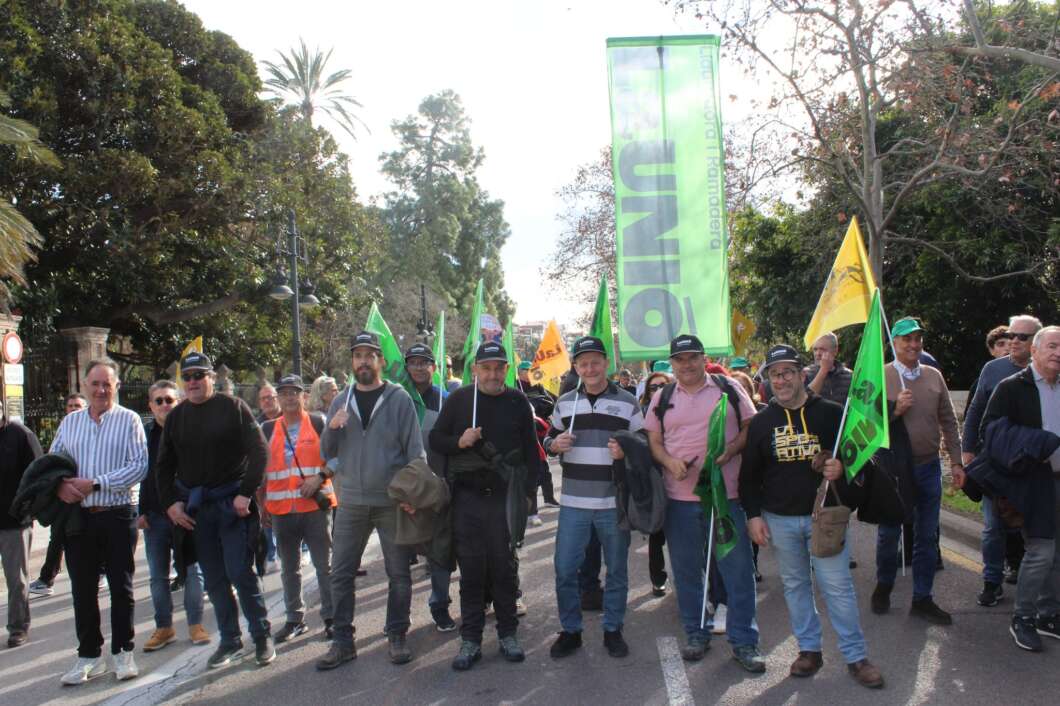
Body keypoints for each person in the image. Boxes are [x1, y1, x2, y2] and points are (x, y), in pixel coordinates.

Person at [740, 344, 883, 688]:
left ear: (802, 375)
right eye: (775, 374)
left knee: (838, 587)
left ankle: (856, 657)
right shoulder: (761, 422)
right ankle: (809, 651)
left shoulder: (832, 414)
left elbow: (860, 458)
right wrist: (753, 516)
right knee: (795, 586)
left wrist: (841, 467)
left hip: (826, 518)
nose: (781, 380)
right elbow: (748, 476)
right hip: (779, 519)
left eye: (788, 372)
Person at [644, 335, 762, 672]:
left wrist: (732, 450)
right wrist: (670, 462)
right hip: (679, 501)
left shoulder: (728, 388)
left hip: (726, 498)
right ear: (672, 363)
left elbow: (751, 426)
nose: (686, 365)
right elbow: (654, 440)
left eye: (692, 357)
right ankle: (696, 634)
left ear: (703, 358)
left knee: (738, 572)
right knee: (687, 574)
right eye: (679, 359)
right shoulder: (663, 396)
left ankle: (744, 642)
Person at [156, 352, 274, 670]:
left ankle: (261, 636)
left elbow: (259, 451)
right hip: (198, 511)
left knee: (240, 572)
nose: (193, 381)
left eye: (199, 375)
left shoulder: (234, 407)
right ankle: (230, 640)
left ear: (211, 378)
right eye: (188, 377)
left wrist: (246, 493)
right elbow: (163, 465)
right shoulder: (176, 417)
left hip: (232, 506)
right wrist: (170, 504)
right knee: (214, 579)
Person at [316, 331, 425, 671]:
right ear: (352, 362)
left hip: (391, 501)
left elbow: (415, 452)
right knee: (340, 574)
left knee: (399, 573)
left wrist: (411, 494)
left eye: (369, 355)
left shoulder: (399, 398)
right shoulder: (341, 400)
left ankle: (397, 634)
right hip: (350, 502)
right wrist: (332, 428)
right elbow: (326, 453)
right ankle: (343, 641)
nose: (363, 361)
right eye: (358, 355)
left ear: (381, 360)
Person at [430, 341, 538, 671]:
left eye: (498, 368)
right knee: (472, 571)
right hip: (467, 499)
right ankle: (471, 639)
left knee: (504, 569)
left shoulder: (518, 401)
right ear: (475, 370)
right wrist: (459, 441)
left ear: (506, 369)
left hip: (505, 499)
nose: (492, 374)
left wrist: (529, 496)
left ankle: (508, 634)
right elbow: (436, 439)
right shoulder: (460, 400)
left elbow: (531, 451)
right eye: (486, 368)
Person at [545, 337, 644, 660]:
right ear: (575, 367)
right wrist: (553, 444)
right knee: (564, 569)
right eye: (583, 363)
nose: (590, 368)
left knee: (616, 570)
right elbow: (548, 437)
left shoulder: (628, 401)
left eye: (595, 362)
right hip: (573, 503)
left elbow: (644, 441)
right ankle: (571, 631)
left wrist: (627, 449)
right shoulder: (565, 403)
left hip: (613, 503)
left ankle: (613, 629)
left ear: (606, 363)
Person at [50, 358, 148, 685]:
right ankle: (89, 655)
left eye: (107, 384)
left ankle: (123, 652)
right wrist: (59, 486)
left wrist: (96, 483)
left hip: (118, 514)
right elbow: (53, 462)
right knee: (82, 589)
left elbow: (139, 466)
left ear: (116, 386)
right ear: (85, 385)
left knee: (121, 587)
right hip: (80, 519)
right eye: (95, 384)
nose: (101, 390)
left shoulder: (130, 420)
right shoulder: (70, 423)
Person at [871, 317, 962, 625]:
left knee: (926, 535)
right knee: (889, 533)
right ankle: (884, 585)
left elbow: (948, 420)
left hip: (928, 467)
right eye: (906, 339)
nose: (913, 344)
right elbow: (865, 423)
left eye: (917, 339)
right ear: (894, 343)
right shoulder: (880, 375)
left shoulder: (933, 375)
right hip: (893, 469)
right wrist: (894, 411)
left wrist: (957, 461)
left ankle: (923, 598)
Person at [979, 326, 1060, 652]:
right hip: (1031, 482)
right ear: (1035, 351)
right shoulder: (1011, 387)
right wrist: (1038, 442)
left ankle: (1048, 615)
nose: (1058, 352)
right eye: (1052, 346)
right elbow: (990, 431)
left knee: (1057, 553)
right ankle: (1023, 617)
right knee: (1041, 551)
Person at [962, 315, 1042, 608]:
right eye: (1010, 335)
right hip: (995, 463)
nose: (1013, 341)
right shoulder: (993, 369)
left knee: (1036, 530)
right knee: (993, 526)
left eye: (1022, 336)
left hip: (1035, 465)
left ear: (1036, 342)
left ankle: (1035, 589)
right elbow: (975, 411)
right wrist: (967, 450)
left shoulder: (1048, 372)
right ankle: (991, 582)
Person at [260, 374, 336, 644]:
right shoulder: (267, 429)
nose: (289, 398)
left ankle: (332, 618)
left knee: (324, 566)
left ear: (303, 396)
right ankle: (295, 620)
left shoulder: (317, 422)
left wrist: (319, 478)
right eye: (284, 393)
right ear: (278, 398)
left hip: (314, 509)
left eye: (294, 392)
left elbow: (336, 457)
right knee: (289, 569)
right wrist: (261, 504)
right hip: (282, 511)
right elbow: (261, 470)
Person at [138, 380, 209, 652]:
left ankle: (195, 624)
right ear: (151, 406)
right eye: (159, 401)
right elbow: (142, 475)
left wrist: (190, 507)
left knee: (192, 572)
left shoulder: (191, 430)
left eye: (169, 400)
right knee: (158, 576)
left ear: (178, 402)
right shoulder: (144, 435)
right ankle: (164, 627)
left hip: (186, 515)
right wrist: (141, 511)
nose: (164, 405)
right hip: (155, 517)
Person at [403, 343, 457, 632]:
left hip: (438, 487)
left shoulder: (447, 400)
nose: (419, 367)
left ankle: (440, 606)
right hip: (405, 489)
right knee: (400, 557)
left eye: (424, 362)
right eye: (413, 362)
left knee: (440, 552)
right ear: (406, 367)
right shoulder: (398, 399)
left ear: (434, 367)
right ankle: (399, 615)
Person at [29, 393, 87, 596]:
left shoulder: (92, 428)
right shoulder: (64, 428)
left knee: (84, 535)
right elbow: (53, 459)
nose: (73, 409)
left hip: (88, 492)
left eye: (78, 405)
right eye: (70, 405)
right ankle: (47, 578)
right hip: (64, 492)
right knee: (57, 536)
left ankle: (99, 572)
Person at [0, 399, 43, 648]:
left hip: (13, 522)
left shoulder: (20, 435)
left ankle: (18, 627)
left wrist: (27, 510)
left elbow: (38, 475)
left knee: (16, 579)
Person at [639, 371, 672, 596]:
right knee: (657, 534)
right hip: (654, 482)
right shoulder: (641, 417)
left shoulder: (682, 411)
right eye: (654, 387)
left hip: (682, 482)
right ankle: (658, 579)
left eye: (663, 385)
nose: (659, 390)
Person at [804, 332, 853, 406]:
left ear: (835, 351)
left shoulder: (849, 376)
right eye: (815, 349)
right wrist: (824, 370)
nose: (817, 353)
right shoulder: (805, 374)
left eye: (822, 349)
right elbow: (805, 401)